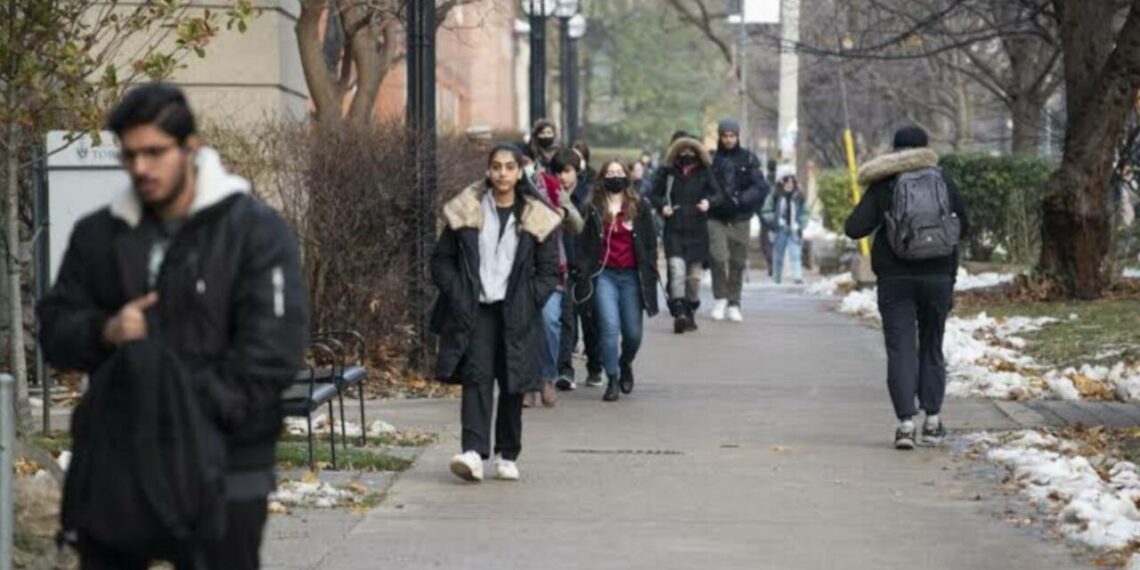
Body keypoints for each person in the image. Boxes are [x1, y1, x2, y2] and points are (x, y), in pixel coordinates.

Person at [38, 83, 308, 569]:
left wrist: (186, 409)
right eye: (130, 155)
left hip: (226, 464)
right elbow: (56, 330)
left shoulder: (255, 231)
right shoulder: (99, 233)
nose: (141, 168)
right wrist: (107, 329)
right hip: (119, 464)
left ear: (191, 148)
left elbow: (273, 353)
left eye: (155, 152)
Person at [431, 143, 561, 482]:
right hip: (476, 308)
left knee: (512, 379)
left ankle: (507, 452)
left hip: (516, 308)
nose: (502, 173)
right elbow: (441, 260)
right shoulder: (468, 210)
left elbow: (549, 273)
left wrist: (529, 300)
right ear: (489, 171)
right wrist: (460, 293)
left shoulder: (537, 216)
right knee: (477, 376)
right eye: (496, 166)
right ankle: (473, 452)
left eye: (509, 167)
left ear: (520, 173)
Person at [844, 126, 970, 450]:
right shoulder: (942, 179)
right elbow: (964, 226)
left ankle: (904, 425)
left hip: (895, 280)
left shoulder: (884, 183)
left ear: (895, 150)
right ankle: (933, 422)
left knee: (900, 349)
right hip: (938, 277)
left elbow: (854, 228)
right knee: (932, 346)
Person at [575, 161, 659, 401]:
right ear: (602, 178)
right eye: (610, 173)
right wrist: (583, 268)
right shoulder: (592, 208)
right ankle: (611, 378)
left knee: (632, 333)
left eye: (619, 172)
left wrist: (650, 267)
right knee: (609, 329)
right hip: (604, 275)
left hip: (632, 276)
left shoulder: (639, 207)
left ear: (627, 177)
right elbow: (582, 243)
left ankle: (626, 363)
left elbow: (651, 243)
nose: (614, 176)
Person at [650, 131, 725, 334]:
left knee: (693, 278)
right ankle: (679, 312)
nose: (686, 153)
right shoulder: (667, 172)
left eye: (690, 150)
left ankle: (690, 309)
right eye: (682, 149)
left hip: (697, 229)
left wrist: (708, 202)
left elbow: (718, 194)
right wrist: (662, 206)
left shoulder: (704, 172)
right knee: (676, 271)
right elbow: (653, 194)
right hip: (674, 227)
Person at [709, 119, 768, 322]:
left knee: (738, 261)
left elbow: (760, 187)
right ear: (720, 136)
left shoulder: (749, 159)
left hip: (741, 216)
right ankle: (720, 298)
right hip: (716, 216)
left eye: (732, 136)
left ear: (737, 136)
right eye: (724, 136)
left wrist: (741, 200)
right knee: (717, 257)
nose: (728, 139)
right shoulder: (711, 159)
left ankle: (734, 302)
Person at [540, 148, 585, 398]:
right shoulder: (543, 193)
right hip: (550, 267)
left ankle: (564, 370)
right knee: (554, 320)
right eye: (559, 172)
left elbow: (582, 228)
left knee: (567, 320)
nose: (563, 178)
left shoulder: (581, 196)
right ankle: (551, 373)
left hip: (573, 267)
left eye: (568, 171)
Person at [762, 169, 809, 285]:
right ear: (781, 183)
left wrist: (801, 224)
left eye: (792, 182)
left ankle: (798, 277)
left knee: (795, 254)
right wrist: (775, 220)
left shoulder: (799, 196)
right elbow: (766, 211)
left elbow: (805, 212)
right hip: (779, 229)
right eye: (786, 182)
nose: (789, 185)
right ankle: (777, 277)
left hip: (794, 229)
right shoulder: (775, 195)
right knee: (778, 255)